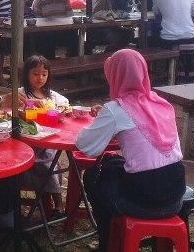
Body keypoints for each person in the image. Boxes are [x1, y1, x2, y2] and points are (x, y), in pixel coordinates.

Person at [76, 49, 186, 251]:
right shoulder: (160, 103)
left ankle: (109, 243)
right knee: (112, 163)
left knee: (93, 178)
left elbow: (86, 146)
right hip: (176, 194)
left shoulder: (115, 109)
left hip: (143, 200)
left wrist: (100, 120)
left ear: (116, 76)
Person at [19, 55, 69, 213]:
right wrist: (28, 106)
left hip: (49, 140)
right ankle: (57, 201)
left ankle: (57, 202)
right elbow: (14, 109)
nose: (40, 78)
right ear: (27, 74)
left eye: (44, 74)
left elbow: (65, 105)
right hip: (29, 143)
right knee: (47, 164)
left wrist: (60, 110)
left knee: (50, 160)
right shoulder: (21, 94)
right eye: (35, 74)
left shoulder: (51, 96)